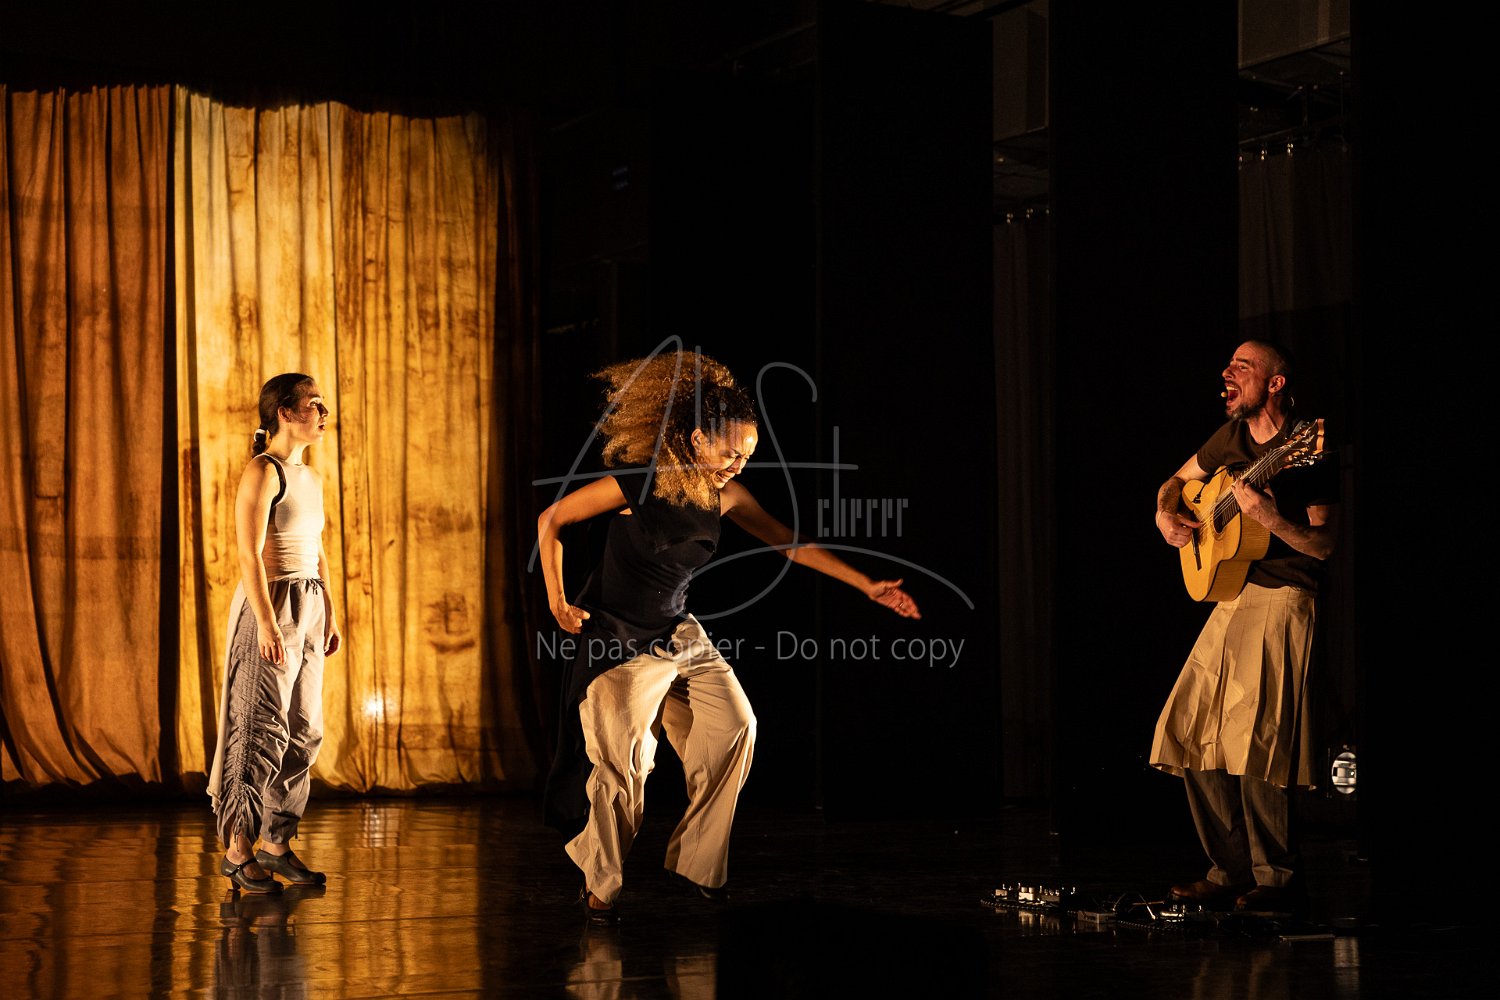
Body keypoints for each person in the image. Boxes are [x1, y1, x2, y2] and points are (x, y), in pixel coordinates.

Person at [538, 351, 920, 925]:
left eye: (747, 456)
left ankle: (697, 861)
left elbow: (790, 544)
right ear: (697, 439)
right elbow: (552, 520)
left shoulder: (728, 496)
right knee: (626, 767)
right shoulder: (640, 482)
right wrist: (558, 600)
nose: (737, 465)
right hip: (616, 639)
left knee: (736, 726)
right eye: (730, 453)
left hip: (677, 632)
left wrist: (866, 584)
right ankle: (601, 887)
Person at [1150, 340, 1339, 913]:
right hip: (1232, 594)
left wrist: (1270, 519)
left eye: (1243, 366)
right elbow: (1174, 482)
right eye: (1229, 364)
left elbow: (1324, 546)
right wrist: (1166, 514)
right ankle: (1229, 871)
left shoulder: (1307, 448)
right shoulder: (1230, 439)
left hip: (1285, 596)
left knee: (1259, 742)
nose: (1227, 373)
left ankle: (1276, 880)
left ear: (1275, 383)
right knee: (1190, 727)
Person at [207, 373, 342, 892]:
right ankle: (238, 850)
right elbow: (248, 553)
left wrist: (330, 611)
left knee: (305, 729)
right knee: (259, 728)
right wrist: (266, 622)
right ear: (285, 412)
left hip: (309, 603)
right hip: (272, 603)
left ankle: (276, 842)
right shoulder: (263, 471)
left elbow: (318, 549)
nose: (323, 413)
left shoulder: (310, 476)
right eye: (314, 404)